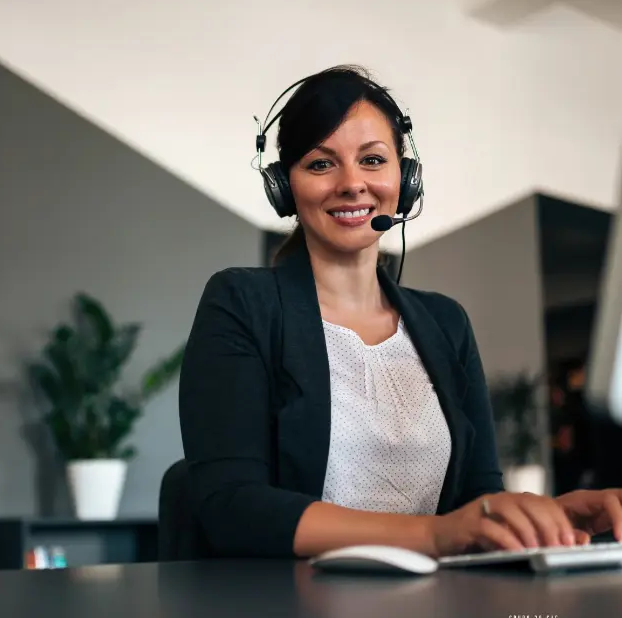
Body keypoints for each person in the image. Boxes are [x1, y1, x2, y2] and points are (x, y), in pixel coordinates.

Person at [178, 64, 622, 559]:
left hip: (436, 609)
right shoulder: (242, 303)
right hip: (288, 614)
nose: (352, 184)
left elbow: (476, 504)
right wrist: (432, 536)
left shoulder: (445, 323)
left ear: (404, 179)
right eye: (321, 164)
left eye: (372, 159)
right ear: (285, 187)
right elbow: (233, 506)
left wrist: (552, 516)